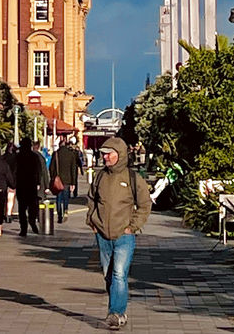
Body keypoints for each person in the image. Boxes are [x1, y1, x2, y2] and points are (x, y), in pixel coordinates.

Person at [87, 137, 151, 330]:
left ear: (120, 155)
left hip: (124, 235)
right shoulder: (100, 176)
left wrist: (132, 226)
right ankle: (117, 310)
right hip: (102, 235)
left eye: (109, 154)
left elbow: (145, 204)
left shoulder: (133, 178)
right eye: (104, 154)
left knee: (119, 274)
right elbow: (92, 198)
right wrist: (92, 221)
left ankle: (116, 312)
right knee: (109, 276)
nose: (105, 157)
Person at [15, 137, 41, 236]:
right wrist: (38, 182)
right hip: (31, 185)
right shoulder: (34, 156)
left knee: (22, 208)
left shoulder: (18, 156)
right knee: (32, 206)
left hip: (21, 184)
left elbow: (14, 170)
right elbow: (39, 171)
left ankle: (23, 228)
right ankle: (32, 221)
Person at [49, 138, 78, 222]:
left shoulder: (56, 154)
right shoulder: (71, 154)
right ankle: (65, 210)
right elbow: (73, 169)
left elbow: (51, 167)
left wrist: (53, 177)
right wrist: (73, 183)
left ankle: (59, 215)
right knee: (66, 197)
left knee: (58, 197)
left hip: (58, 179)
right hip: (67, 180)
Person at [3, 142, 17, 222]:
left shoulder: (4, 157)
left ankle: (4, 212)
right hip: (13, 180)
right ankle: (9, 214)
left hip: (3, 180)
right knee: (11, 197)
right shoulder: (16, 158)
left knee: (4, 198)